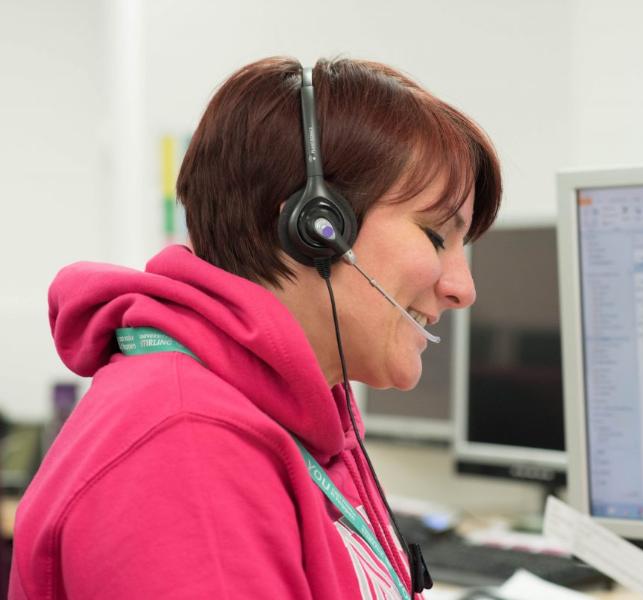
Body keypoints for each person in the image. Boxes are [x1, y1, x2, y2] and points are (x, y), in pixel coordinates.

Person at [10, 56, 501, 599]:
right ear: (316, 228)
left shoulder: (294, 417)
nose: (463, 288)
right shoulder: (187, 451)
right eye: (436, 235)